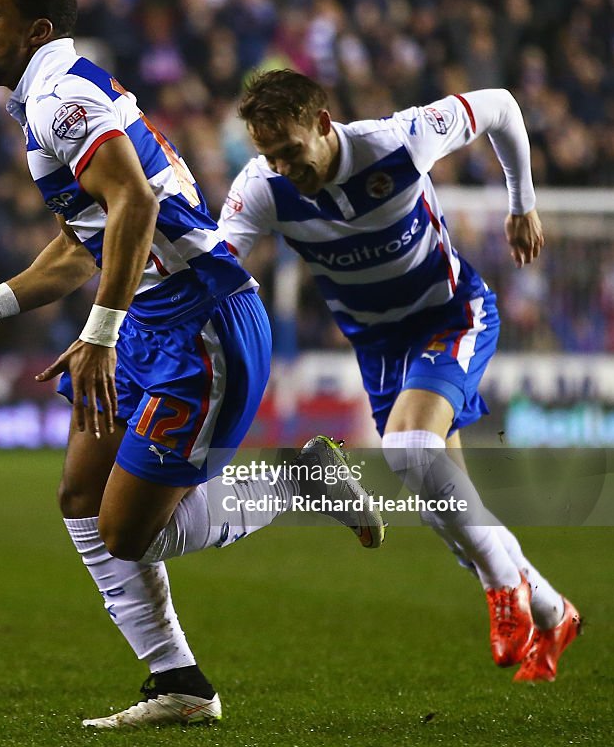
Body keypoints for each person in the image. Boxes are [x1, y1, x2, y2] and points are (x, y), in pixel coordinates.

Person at [0, 0, 385, 729]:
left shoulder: (62, 100)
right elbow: (85, 241)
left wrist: (100, 332)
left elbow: (132, 198)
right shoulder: (51, 97)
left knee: (130, 532)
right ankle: (179, 684)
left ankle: (295, 485)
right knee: (80, 500)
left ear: (36, 32)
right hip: (152, 318)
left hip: (198, 321)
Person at [220, 68, 581, 683]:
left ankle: (504, 591)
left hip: (451, 314)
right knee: (450, 512)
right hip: (381, 348)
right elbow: (218, 268)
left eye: (291, 151)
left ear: (324, 126)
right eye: (269, 155)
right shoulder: (261, 188)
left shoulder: (398, 140)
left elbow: (500, 105)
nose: (283, 167)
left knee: (410, 449)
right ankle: (552, 611)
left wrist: (523, 204)